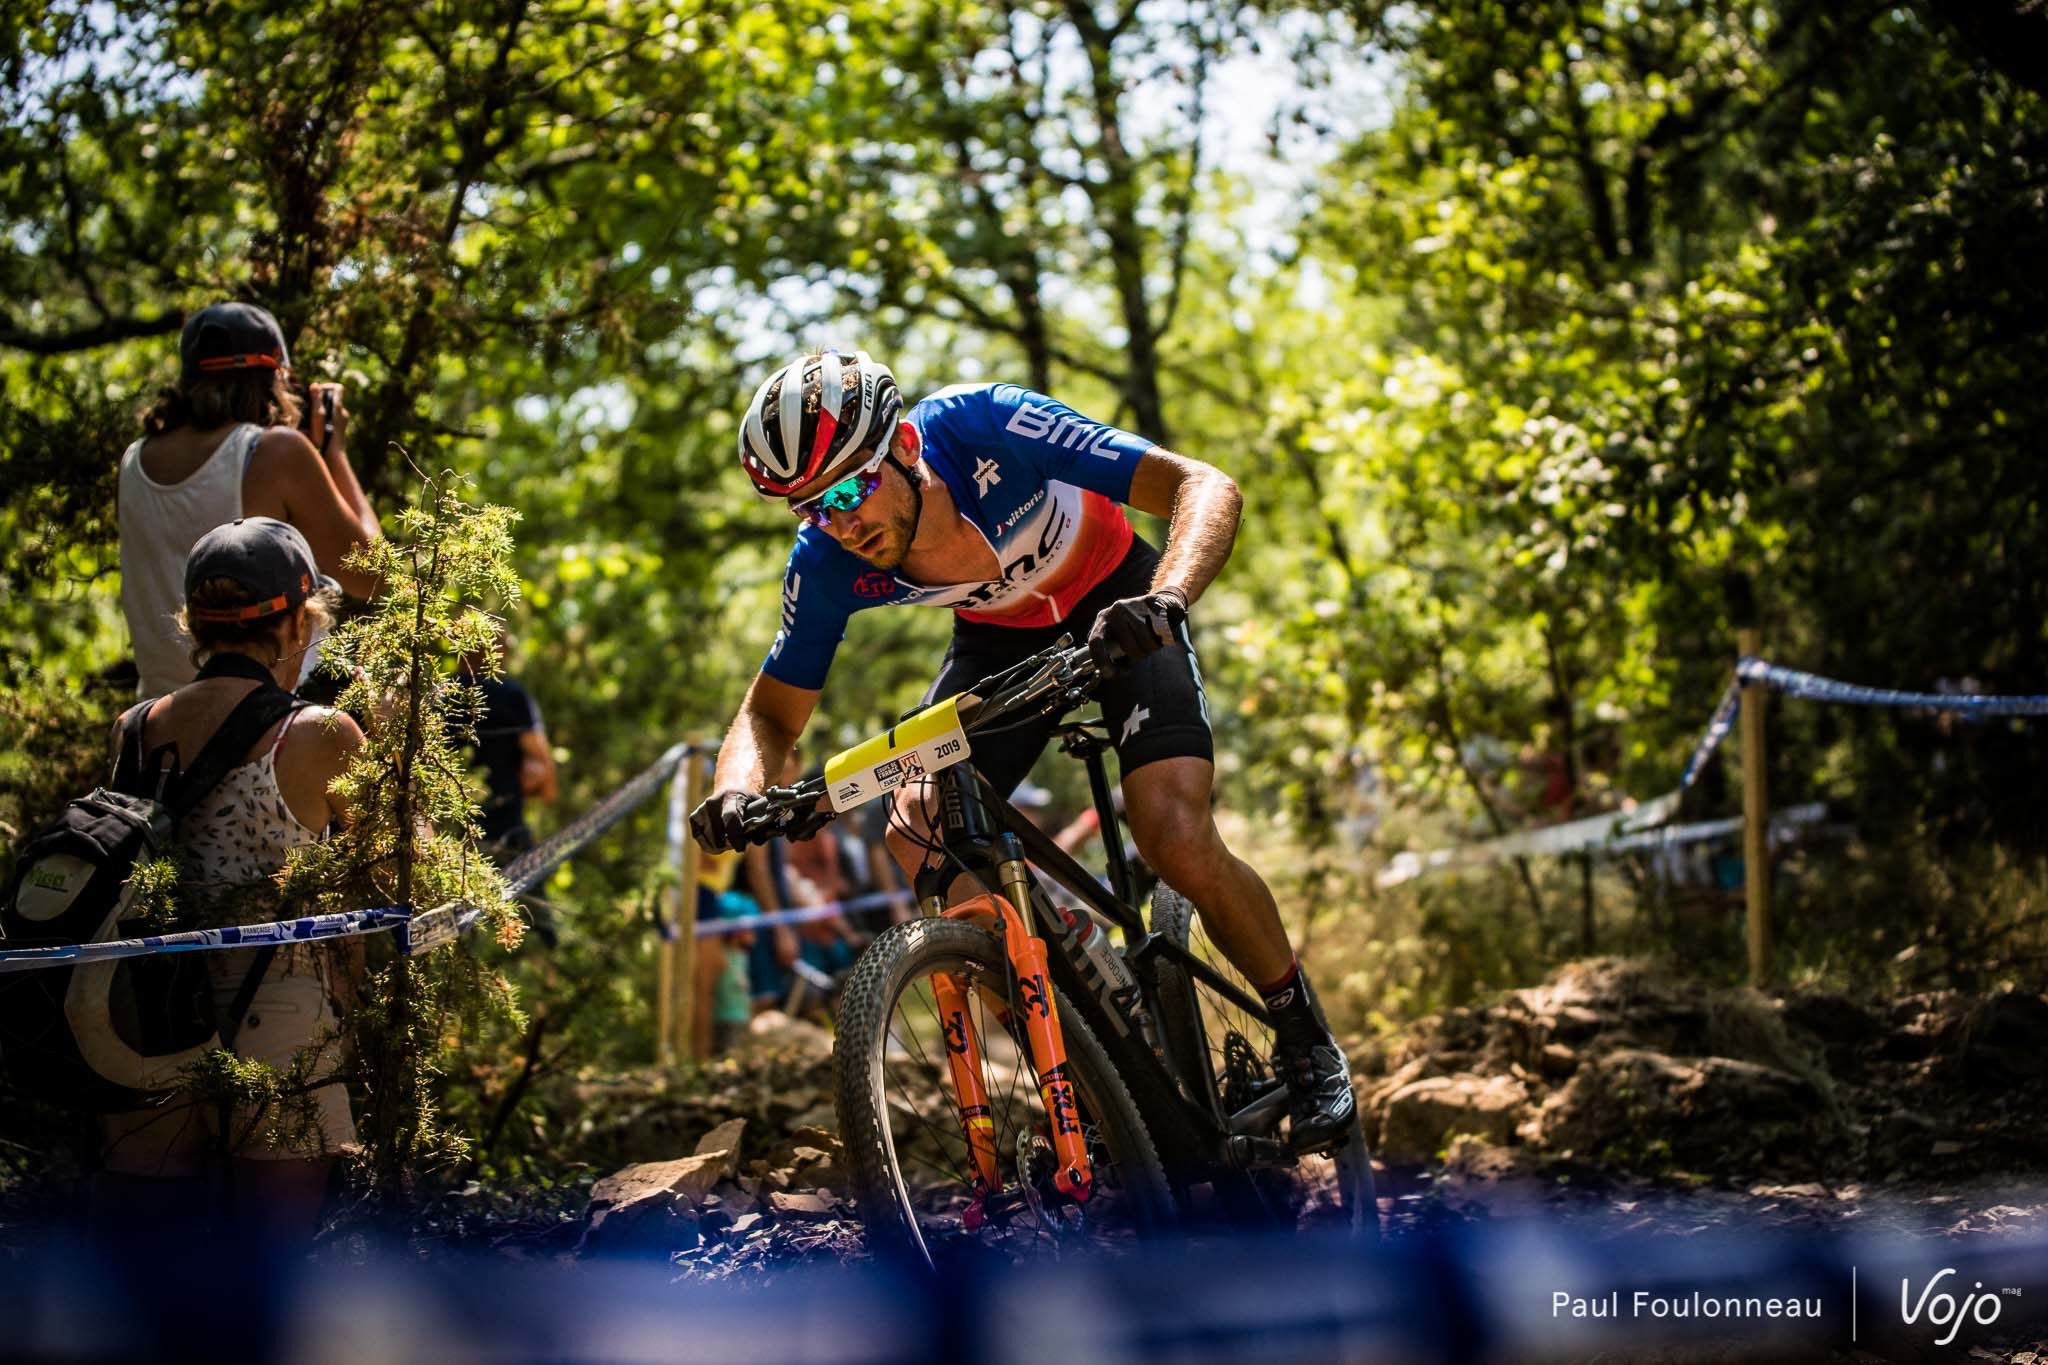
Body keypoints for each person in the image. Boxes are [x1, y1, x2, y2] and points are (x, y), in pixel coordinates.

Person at [689, 351, 1356, 1150]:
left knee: (1172, 831)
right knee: (917, 827)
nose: (840, 521)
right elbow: (771, 713)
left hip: (1119, 602)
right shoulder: (829, 557)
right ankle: (1085, 1042)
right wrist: (738, 789)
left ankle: (1303, 1031)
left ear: (904, 443)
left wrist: (1165, 600)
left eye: (848, 489)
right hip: (999, 644)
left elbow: (1203, 486)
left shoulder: (988, 424)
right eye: (811, 509)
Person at [95, 518, 366, 1249]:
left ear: (196, 621)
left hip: (146, 1016)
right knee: (264, 1279)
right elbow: (404, 865)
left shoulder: (135, 727)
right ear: (297, 620)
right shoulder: (320, 733)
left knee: (151, 1274)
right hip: (281, 1019)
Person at [119, 301, 382, 699]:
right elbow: (375, 575)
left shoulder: (134, 459)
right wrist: (334, 453)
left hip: (163, 718)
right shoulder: (275, 452)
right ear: (276, 378)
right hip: (264, 721)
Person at [457, 630, 559, 861]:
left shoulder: (439, 695)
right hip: (506, 837)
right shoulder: (512, 696)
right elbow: (547, 779)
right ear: (498, 651)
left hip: (447, 840)